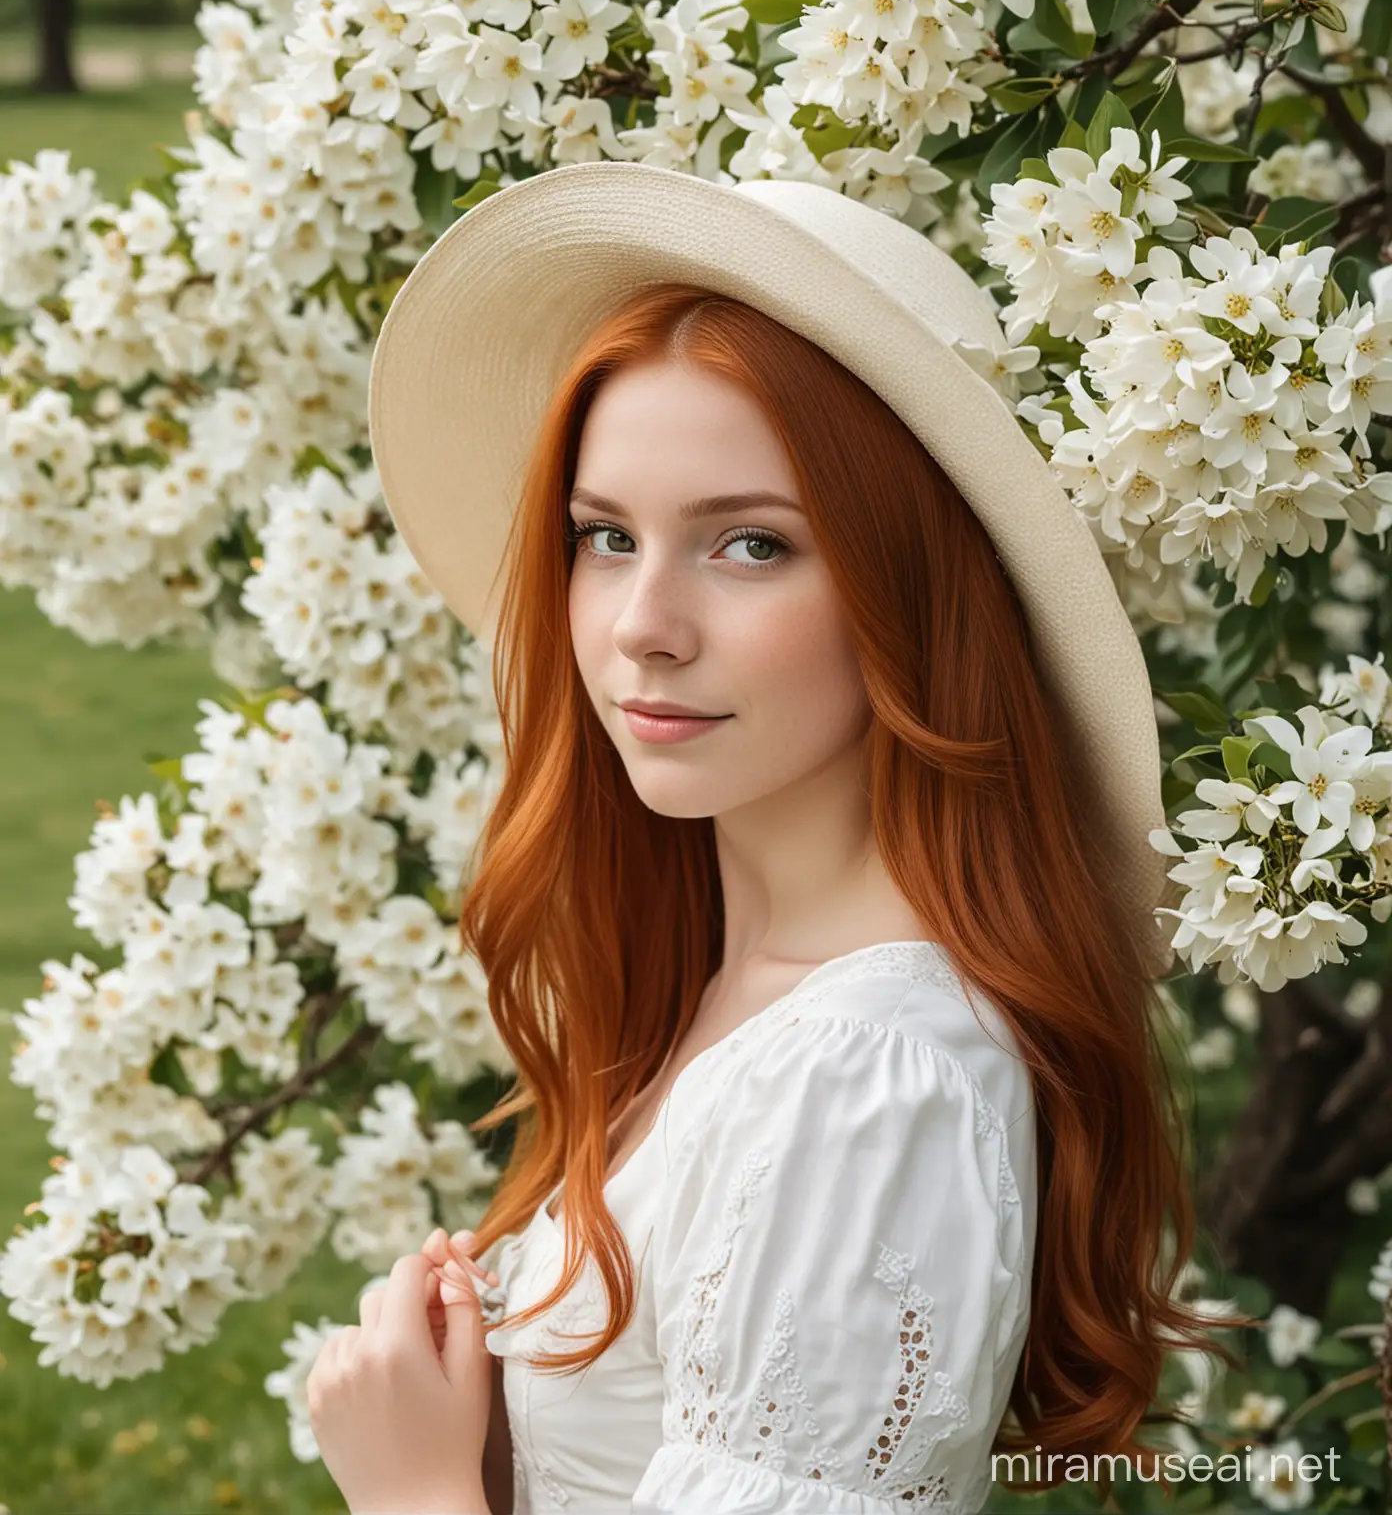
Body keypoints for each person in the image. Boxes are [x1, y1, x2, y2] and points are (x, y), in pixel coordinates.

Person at [306, 162, 1236, 1515]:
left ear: (911, 592)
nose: (643, 625)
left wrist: (414, 1494)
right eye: (605, 536)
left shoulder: (866, 1084)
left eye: (749, 547)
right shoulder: (726, 1002)